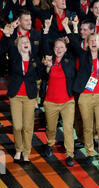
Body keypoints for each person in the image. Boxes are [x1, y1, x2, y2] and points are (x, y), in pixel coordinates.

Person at [64, 20, 99, 169]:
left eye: (96, 40)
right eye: (90, 40)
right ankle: (90, 153)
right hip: (85, 96)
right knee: (87, 127)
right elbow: (72, 42)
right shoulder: (83, 55)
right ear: (86, 43)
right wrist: (67, 26)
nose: (93, 42)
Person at [0, 24, 41, 163]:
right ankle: (18, 149)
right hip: (15, 96)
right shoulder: (15, 58)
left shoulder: (35, 60)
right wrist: (8, 35)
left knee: (28, 127)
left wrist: (46, 66)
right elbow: (7, 45)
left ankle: (26, 152)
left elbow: (40, 75)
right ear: (18, 46)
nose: (25, 44)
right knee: (17, 126)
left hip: (30, 97)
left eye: (27, 42)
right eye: (22, 42)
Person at [42, 17, 76, 167]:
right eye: (56, 47)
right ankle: (49, 144)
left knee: (68, 129)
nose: (59, 49)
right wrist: (46, 30)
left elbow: (75, 46)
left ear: (66, 49)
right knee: (50, 127)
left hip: (67, 101)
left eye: (62, 47)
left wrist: (71, 29)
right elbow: (44, 46)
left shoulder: (70, 60)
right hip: (50, 101)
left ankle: (70, 154)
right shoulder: (49, 61)